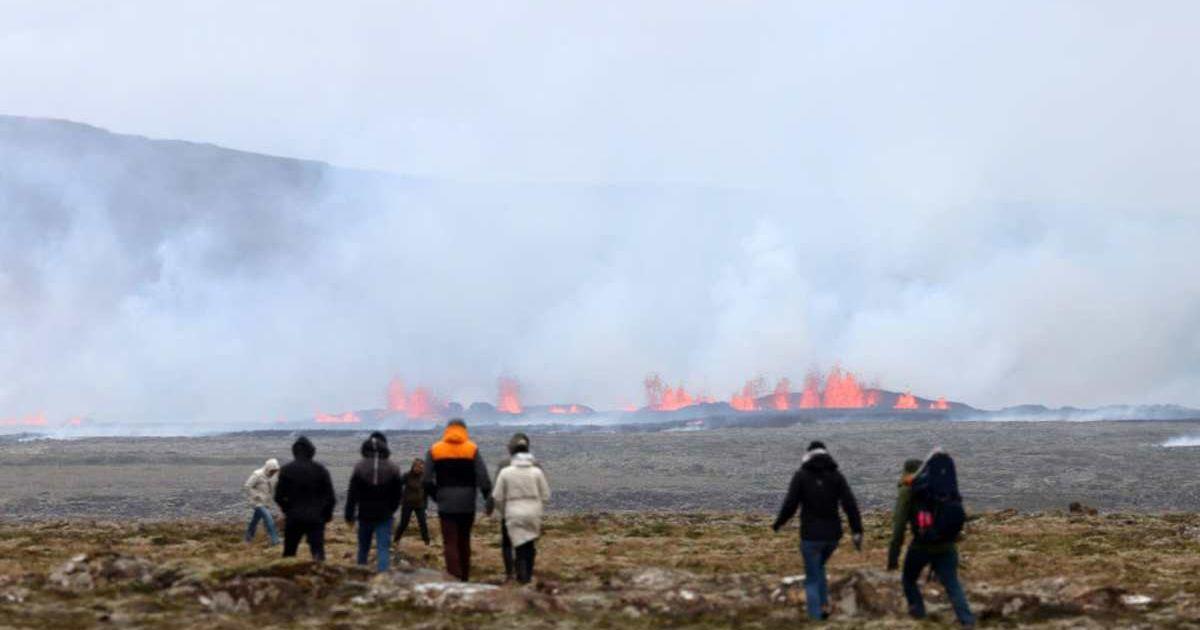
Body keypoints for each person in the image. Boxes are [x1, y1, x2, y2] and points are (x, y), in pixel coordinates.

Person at [772, 440, 864, 621]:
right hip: (832, 536)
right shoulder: (836, 476)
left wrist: (779, 523)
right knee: (819, 567)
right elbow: (850, 504)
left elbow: (791, 504)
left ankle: (816, 618)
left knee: (812, 577)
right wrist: (857, 530)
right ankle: (824, 605)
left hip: (810, 537)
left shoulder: (801, 476)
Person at [890, 449, 976, 628]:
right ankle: (968, 622)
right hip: (947, 545)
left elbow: (899, 526)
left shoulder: (909, 490)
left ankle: (920, 618)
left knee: (909, 580)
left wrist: (893, 555)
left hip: (921, 546)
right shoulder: (941, 486)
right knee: (952, 584)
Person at [423, 419, 492, 581]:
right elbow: (483, 477)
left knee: (449, 541)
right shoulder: (472, 449)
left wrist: (436, 496)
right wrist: (487, 497)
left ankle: (454, 576)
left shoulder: (435, 450)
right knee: (464, 540)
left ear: (447, 430)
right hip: (467, 502)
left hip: (446, 503)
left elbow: (426, 480)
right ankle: (465, 577)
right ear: (464, 430)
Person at [491, 440, 550, 584]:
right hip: (532, 512)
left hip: (513, 511)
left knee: (514, 543)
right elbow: (546, 494)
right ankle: (527, 575)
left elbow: (497, 496)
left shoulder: (505, 472)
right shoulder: (536, 472)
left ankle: (517, 574)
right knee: (529, 544)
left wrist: (503, 511)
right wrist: (538, 509)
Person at [344, 433, 403, 572]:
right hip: (384, 515)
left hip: (364, 514)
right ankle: (383, 579)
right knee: (383, 548)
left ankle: (360, 576)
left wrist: (349, 515)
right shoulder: (393, 468)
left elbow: (352, 494)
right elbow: (398, 494)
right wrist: (391, 510)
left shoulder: (360, 467)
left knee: (363, 548)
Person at [274, 436, 336, 561]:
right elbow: (331, 497)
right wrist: (325, 515)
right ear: (311, 451)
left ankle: (287, 577)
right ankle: (321, 578)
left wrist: (288, 510)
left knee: (289, 553)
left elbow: (278, 496)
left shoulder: (286, 470)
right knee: (318, 553)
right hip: (315, 518)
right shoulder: (320, 470)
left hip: (294, 518)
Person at [243, 458, 281, 546]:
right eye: (272, 470)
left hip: (267, 502)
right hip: (257, 503)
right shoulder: (257, 474)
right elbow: (247, 486)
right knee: (269, 519)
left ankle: (247, 539)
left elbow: (275, 486)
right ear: (268, 468)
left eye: (275, 470)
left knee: (254, 521)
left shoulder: (274, 476)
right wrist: (256, 495)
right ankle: (275, 541)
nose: (274, 472)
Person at [394, 458, 431, 545]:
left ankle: (427, 542)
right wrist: (399, 498)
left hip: (420, 504)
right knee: (404, 523)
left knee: (423, 523)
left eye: (421, 467)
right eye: (417, 467)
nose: (419, 469)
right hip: (407, 504)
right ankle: (396, 540)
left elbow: (426, 493)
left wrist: (425, 506)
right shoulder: (407, 475)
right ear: (413, 467)